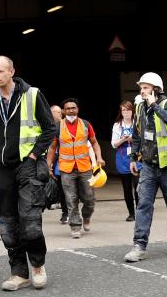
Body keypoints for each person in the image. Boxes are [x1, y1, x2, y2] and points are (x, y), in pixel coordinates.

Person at [0, 56, 57, 292]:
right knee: (7, 225)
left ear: (12, 72)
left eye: (1, 71)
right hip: (3, 169)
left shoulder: (32, 95)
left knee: (30, 223)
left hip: (27, 166)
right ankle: (19, 272)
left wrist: (34, 155)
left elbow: (50, 127)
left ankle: (38, 266)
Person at [124, 72, 167, 263]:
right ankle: (139, 246)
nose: (142, 91)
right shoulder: (139, 108)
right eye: (141, 88)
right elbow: (137, 134)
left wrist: (154, 105)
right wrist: (134, 157)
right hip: (149, 165)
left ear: (156, 89)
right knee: (143, 204)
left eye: (145, 88)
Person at [48, 98, 104, 239]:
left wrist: (99, 158)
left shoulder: (86, 124)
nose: (71, 110)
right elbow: (53, 148)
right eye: (68, 108)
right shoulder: (58, 126)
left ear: (77, 109)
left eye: (73, 108)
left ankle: (86, 216)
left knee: (89, 198)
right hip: (66, 169)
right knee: (71, 199)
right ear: (63, 111)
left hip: (85, 167)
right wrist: (48, 164)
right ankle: (75, 226)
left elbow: (95, 143)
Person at [111, 101, 138, 222]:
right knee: (127, 188)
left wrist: (133, 139)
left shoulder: (137, 123)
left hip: (137, 157)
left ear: (132, 111)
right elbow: (113, 144)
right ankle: (131, 213)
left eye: (128, 110)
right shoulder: (117, 125)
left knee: (138, 186)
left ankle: (140, 211)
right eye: (124, 110)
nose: (126, 113)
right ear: (121, 112)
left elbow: (143, 140)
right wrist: (123, 140)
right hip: (122, 159)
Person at [49, 104, 68, 224]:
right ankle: (64, 211)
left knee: (70, 190)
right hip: (56, 161)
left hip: (67, 161)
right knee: (60, 189)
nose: (60, 114)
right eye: (57, 112)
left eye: (60, 112)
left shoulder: (64, 125)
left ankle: (70, 212)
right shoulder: (47, 125)